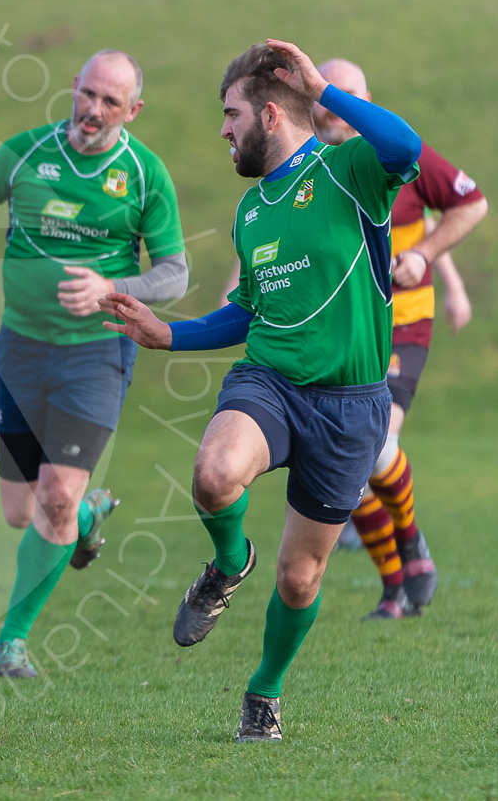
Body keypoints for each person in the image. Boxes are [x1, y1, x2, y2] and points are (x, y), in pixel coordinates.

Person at [100, 40, 422, 742]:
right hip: (270, 380)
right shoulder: (252, 213)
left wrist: (324, 89)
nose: (223, 130)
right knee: (215, 475)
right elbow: (247, 313)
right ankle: (226, 563)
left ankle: (264, 692)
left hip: (350, 406)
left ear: (270, 115)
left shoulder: (351, 171)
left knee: (301, 578)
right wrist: (168, 335)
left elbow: (406, 144)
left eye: (230, 114)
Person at [0, 50, 189, 678]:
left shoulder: (143, 175)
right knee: (21, 511)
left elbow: (174, 273)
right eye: (88, 94)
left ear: (132, 111)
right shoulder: (27, 152)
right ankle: (87, 517)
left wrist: (111, 285)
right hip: (20, 349)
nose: (93, 110)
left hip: (96, 355)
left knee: (51, 498)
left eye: (111, 102)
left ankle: (11, 643)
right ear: (74, 87)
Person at [217, 61, 487, 614]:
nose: (330, 110)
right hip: (333, 333)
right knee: (360, 462)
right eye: (321, 100)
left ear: (361, 98)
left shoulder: (379, 157)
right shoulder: (312, 172)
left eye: (344, 97)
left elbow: (465, 205)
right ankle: (396, 583)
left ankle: (409, 546)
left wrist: (430, 260)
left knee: (378, 445)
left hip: (401, 322)